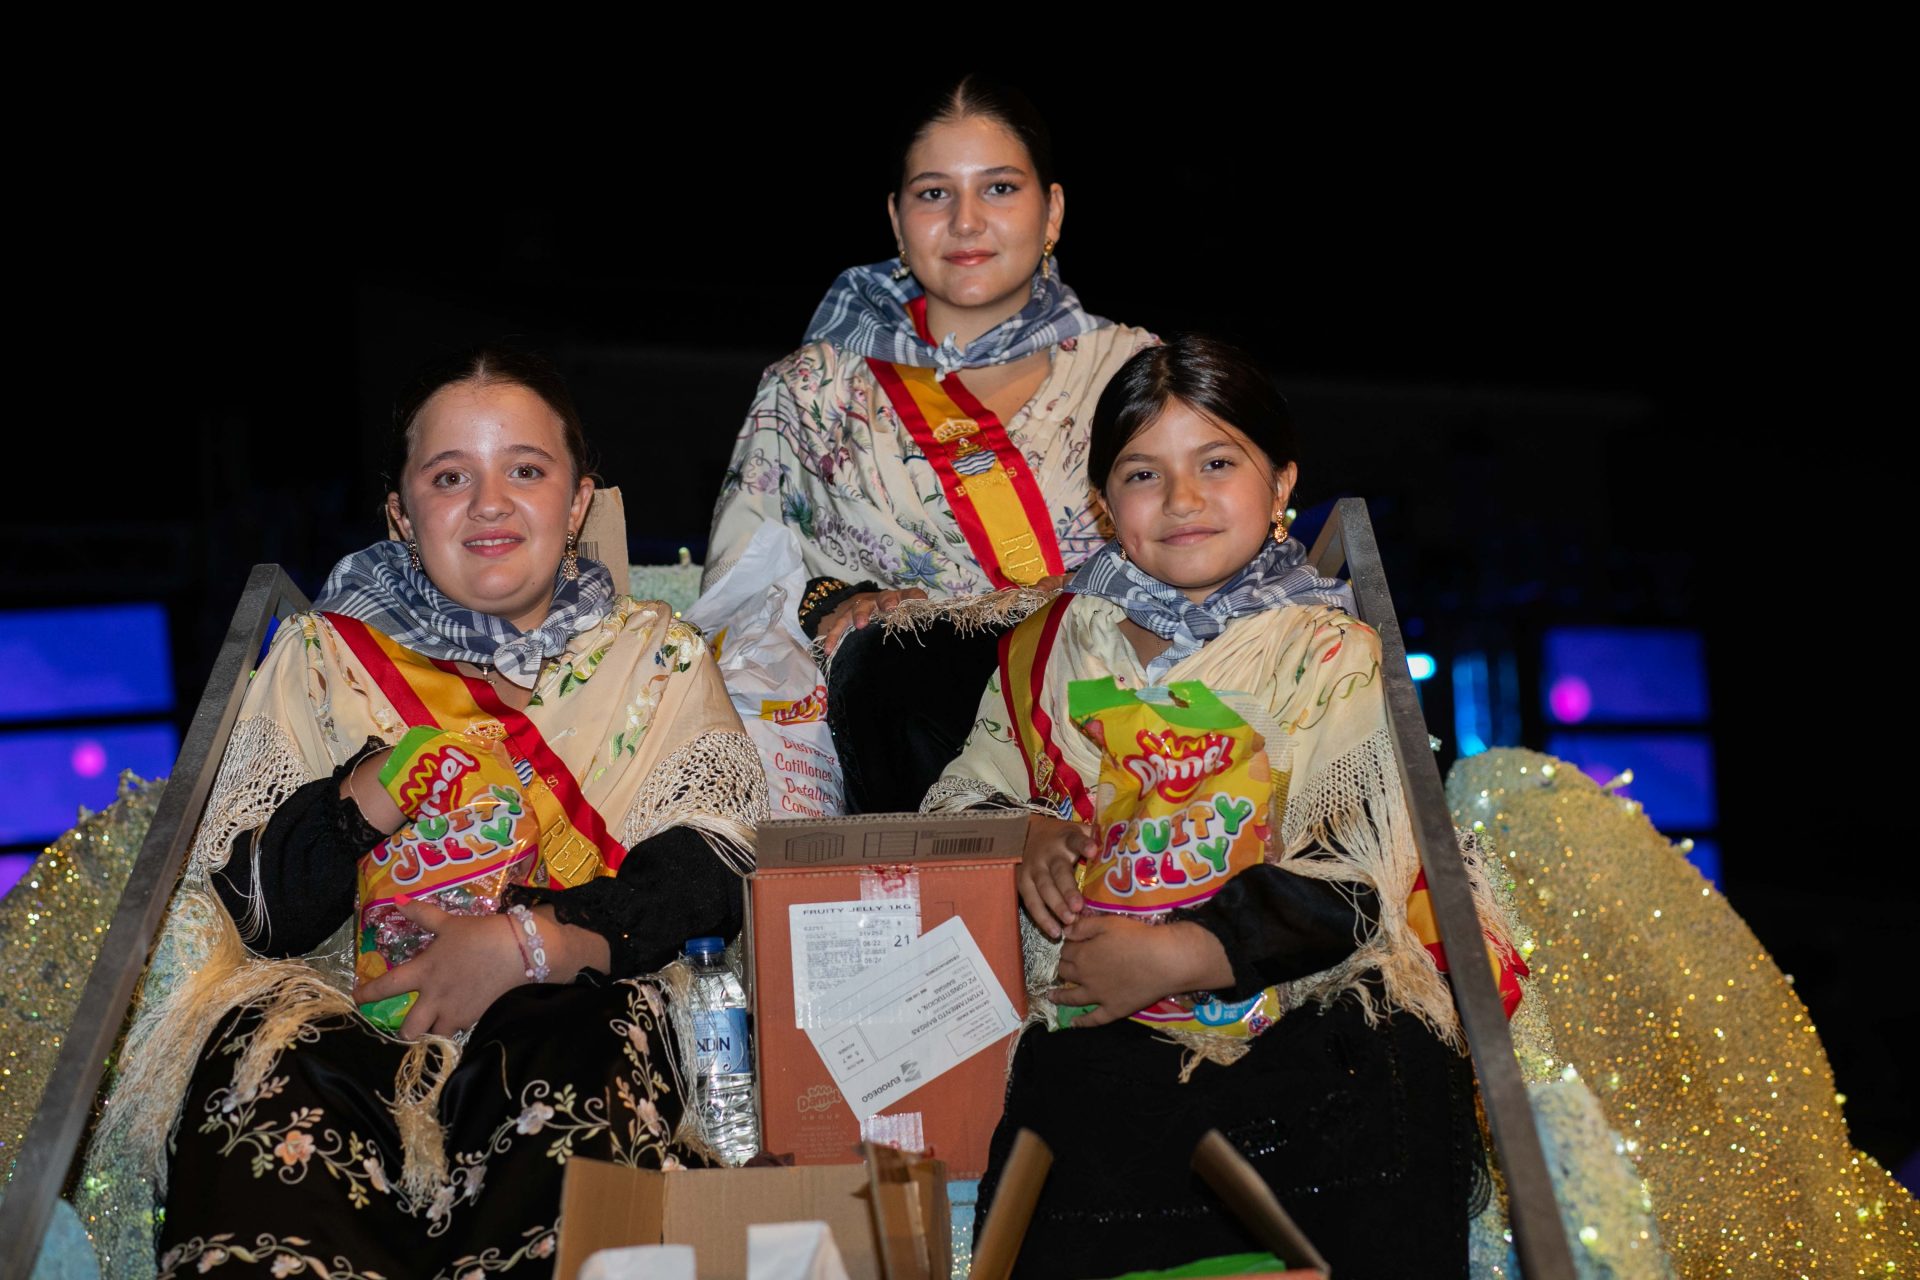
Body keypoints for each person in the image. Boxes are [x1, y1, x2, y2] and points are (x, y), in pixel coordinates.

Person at [103, 348, 767, 1279]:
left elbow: (716, 866)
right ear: (401, 515)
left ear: (578, 502)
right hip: (351, 1019)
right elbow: (252, 911)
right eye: (450, 477)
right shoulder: (325, 658)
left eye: (525, 470)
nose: (489, 504)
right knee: (261, 1049)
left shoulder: (656, 659)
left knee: (588, 1041)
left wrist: (527, 944)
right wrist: (358, 800)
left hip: (569, 1004)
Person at [928, 336, 1515, 1278]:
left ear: (1281, 484)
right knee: (1066, 1090)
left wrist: (1185, 953)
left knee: (1388, 1059)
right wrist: (1024, 831)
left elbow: (1357, 864)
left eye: (1216, 464)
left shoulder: (1327, 652)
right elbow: (961, 796)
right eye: (1142, 473)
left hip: (1298, 997)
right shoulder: (1049, 650)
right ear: (1104, 504)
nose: (1182, 499)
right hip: (1096, 1008)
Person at [703, 74, 1156, 812]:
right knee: (895, 662)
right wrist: (833, 603)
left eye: (999, 188)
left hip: (1120, 735)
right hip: (901, 751)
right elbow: (735, 599)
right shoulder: (813, 391)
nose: (966, 221)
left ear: (1053, 211)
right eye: (935, 193)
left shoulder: (1133, 374)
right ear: (896, 217)